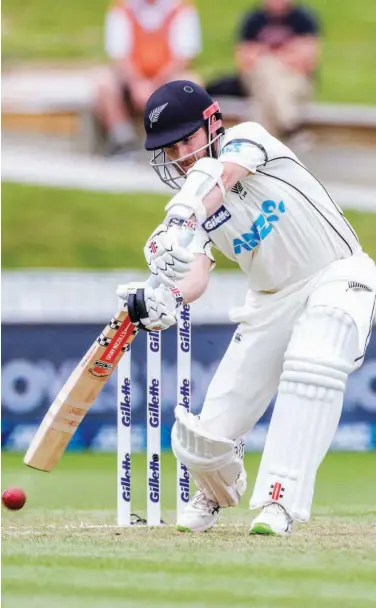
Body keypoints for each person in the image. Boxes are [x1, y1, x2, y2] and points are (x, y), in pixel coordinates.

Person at [117, 80, 376, 535]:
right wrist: (167, 297)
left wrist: (181, 215)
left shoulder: (249, 140)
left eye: (186, 140)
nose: (180, 155)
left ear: (212, 124)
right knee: (203, 439)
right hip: (270, 302)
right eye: (169, 148)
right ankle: (215, 491)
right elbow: (195, 276)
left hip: (338, 274)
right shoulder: (187, 213)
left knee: (314, 357)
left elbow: (220, 179)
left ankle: (279, 501)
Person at [94, 0, 202, 155]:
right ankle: (122, 139)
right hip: (131, 77)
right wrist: (137, 82)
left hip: (167, 76)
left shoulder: (181, 8)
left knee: (193, 84)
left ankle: (182, 141)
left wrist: (155, 84)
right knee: (103, 81)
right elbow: (119, 56)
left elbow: (183, 58)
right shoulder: (122, 8)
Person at [235, 0, 320, 139]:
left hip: (292, 80)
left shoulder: (303, 19)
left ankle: (258, 140)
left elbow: (306, 60)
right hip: (259, 79)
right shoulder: (253, 20)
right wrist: (286, 54)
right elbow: (245, 59)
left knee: (266, 80)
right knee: (266, 70)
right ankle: (289, 125)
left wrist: (266, 55)